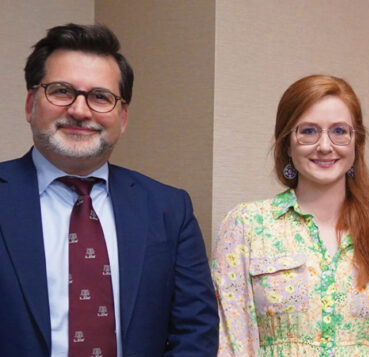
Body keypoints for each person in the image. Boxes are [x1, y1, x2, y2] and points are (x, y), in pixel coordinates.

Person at [0, 23, 218, 356]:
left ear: (123, 116)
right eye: (61, 91)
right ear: (31, 103)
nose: (79, 110)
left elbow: (195, 331)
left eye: (100, 97)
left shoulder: (169, 209)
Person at [212, 74, 369, 356]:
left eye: (339, 131)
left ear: (355, 143)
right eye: (309, 131)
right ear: (287, 143)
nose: (325, 146)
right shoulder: (246, 228)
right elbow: (230, 343)